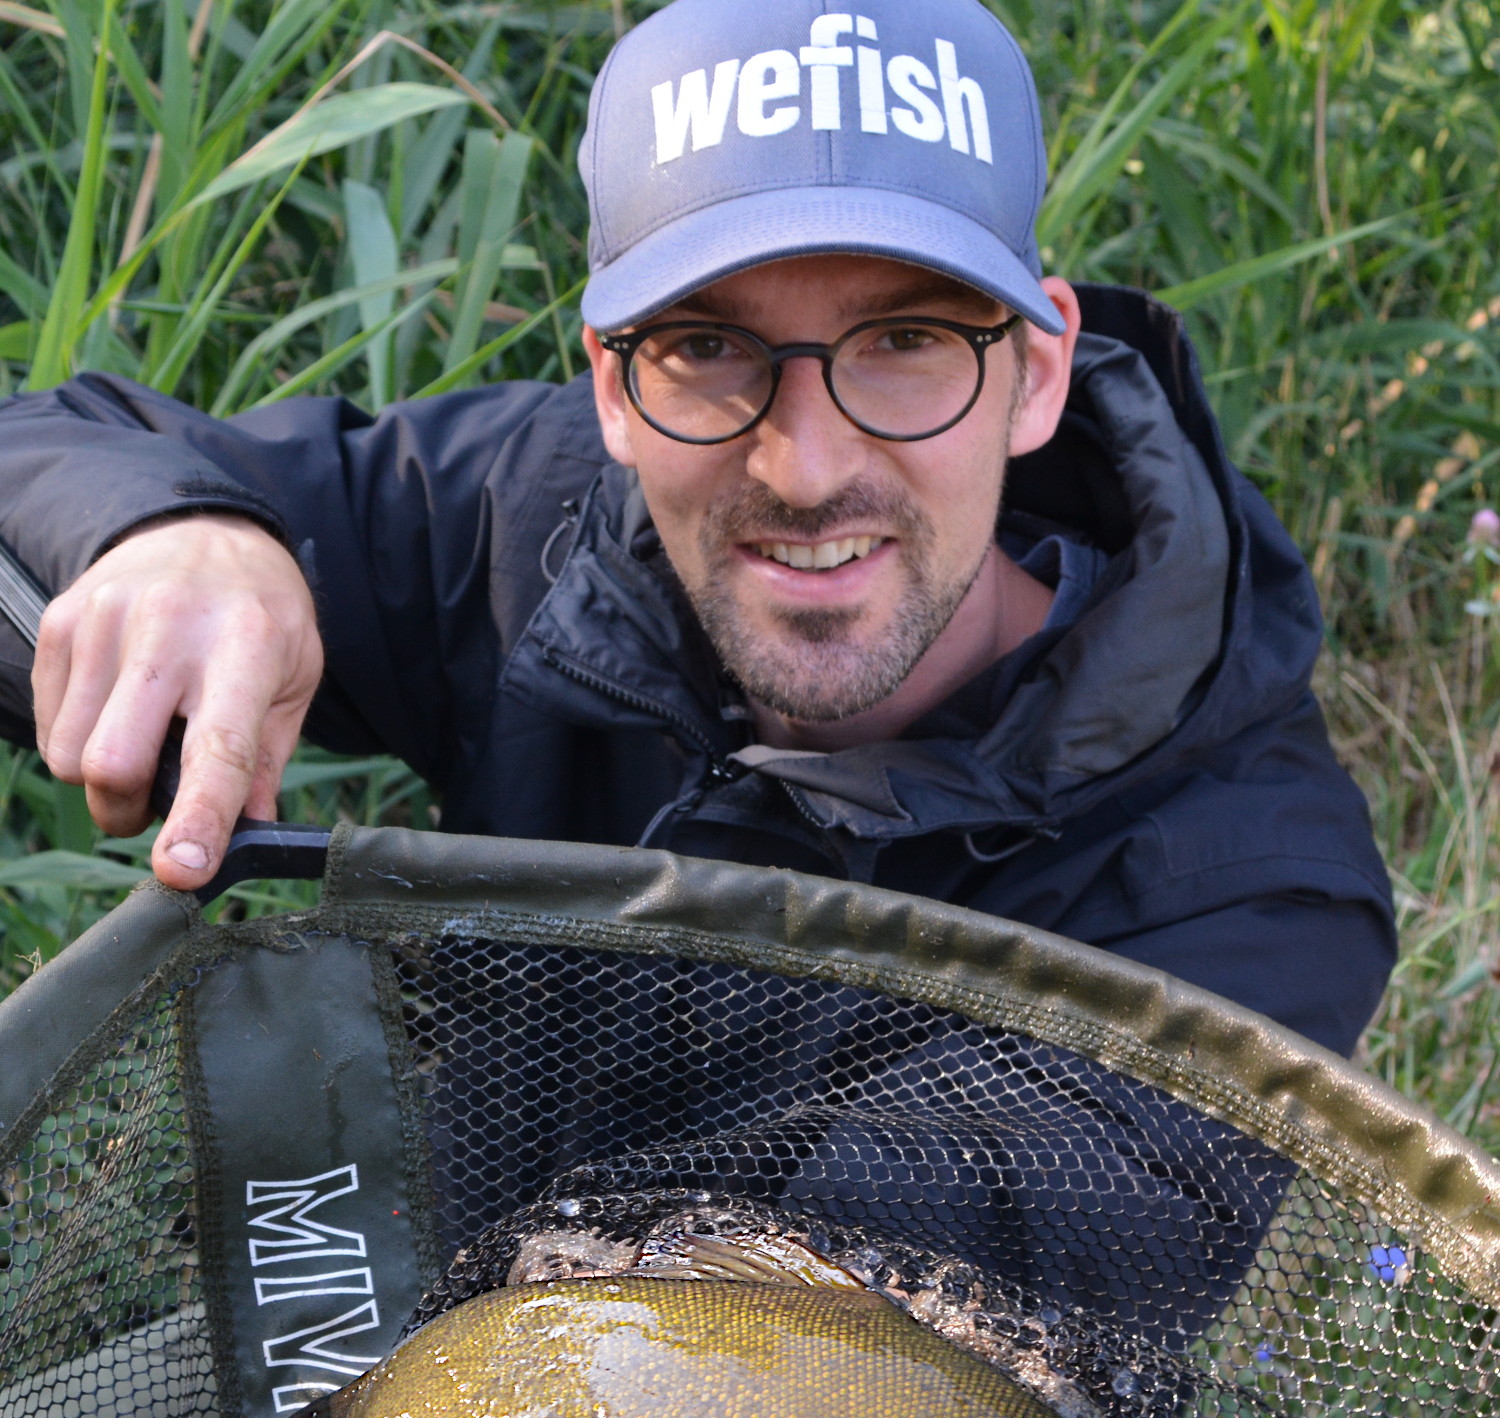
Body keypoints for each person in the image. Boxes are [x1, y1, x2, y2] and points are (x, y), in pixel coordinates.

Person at [0, 0, 1393, 1056]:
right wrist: (163, 534)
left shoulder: (1244, 898)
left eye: (903, 340)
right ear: (610, 382)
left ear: (1033, 372)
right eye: (713, 348)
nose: (804, 463)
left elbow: (852, 1365)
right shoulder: (535, 523)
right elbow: (40, 461)